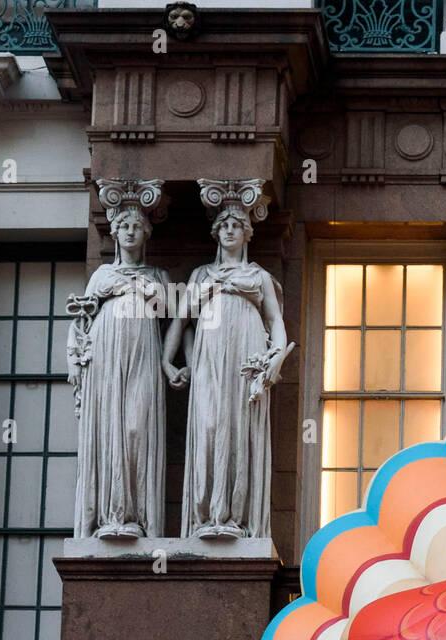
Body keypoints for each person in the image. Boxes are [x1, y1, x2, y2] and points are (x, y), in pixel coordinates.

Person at [163, 203, 287, 538]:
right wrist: (167, 361)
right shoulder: (202, 275)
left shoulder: (258, 276)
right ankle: (206, 515)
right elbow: (181, 320)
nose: (230, 230)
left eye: (236, 225)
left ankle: (234, 516)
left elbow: (275, 321)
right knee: (209, 424)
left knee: (238, 427)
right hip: (209, 357)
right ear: (216, 233)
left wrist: (275, 357)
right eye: (224, 225)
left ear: (247, 233)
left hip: (246, 356)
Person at [69, 203, 169, 538]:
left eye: (137, 226)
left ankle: (137, 516)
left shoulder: (157, 276)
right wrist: (75, 357)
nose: (129, 231)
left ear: (147, 233)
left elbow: (173, 313)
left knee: (135, 429)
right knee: (109, 429)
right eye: (123, 225)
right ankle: (109, 517)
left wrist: (170, 361)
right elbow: (81, 320)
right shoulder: (101, 276)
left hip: (143, 354)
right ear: (113, 232)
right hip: (106, 354)